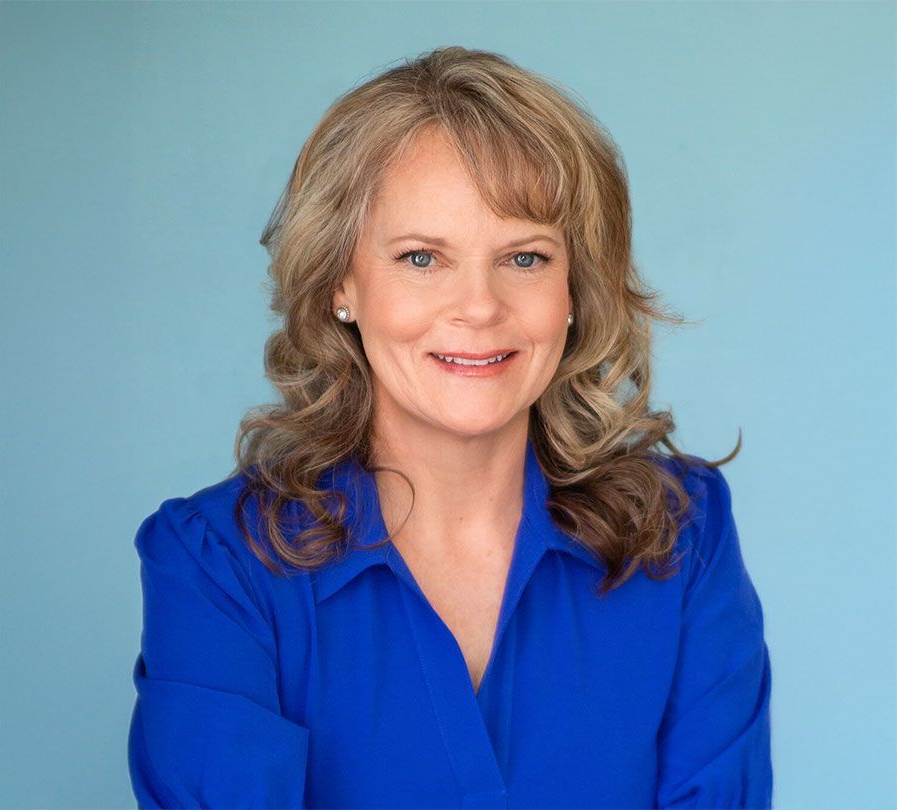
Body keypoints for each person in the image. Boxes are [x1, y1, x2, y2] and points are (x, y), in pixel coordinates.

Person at [127, 46, 772, 809]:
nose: (478, 307)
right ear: (342, 283)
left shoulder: (682, 537)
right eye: (423, 257)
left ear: (575, 290)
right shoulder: (218, 566)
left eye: (525, 258)